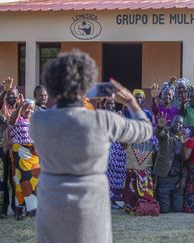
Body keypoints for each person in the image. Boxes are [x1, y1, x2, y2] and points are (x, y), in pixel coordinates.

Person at [30, 50, 153, 242]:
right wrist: (129, 101)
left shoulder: (38, 120)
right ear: (87, 85)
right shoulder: (103, 121)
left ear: (52, 86)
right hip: (90, 207)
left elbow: (57, 113)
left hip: (51, 202)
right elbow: (145, 130)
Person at [9, 96, 38, 220]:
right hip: (20, 153)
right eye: (26, 107)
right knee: (21, 181)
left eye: (31, 108)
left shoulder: (34, 121)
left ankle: (32, 209)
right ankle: (20, 210)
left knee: (34, 180)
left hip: (33, 154)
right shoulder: (16, 119)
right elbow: (11, 122)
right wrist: (20, 106)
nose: (29, 111)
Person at [153, 114, 187, 214]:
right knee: (165, 210)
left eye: (181, 123)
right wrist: (159, 127)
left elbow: (185, 160)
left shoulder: (183, 137)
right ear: (171, 123)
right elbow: (159, 133)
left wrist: (184, 177)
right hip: (164, 177)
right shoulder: (166, 132)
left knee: (178, 209)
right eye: (176, 122)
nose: (178, 124)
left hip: (177, 178)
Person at [122, 135, 159, 216]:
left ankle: (144, 208)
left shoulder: (152, 145)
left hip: (146, 175)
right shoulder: (129, 143)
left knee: (146, 195)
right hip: (132, 174)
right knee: (130, 194)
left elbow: (155, 160)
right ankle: (133, 208)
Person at [0, 77, 18, 218]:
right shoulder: (2, 108)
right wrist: (3, 91)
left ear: (17, 96)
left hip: (17, 150)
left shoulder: (21, 108)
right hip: (3, 149)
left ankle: (16, 207)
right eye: (9, 94)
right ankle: (3, 209)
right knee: (3, 179)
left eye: (13, 93)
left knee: (15, 179)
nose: (11, 96)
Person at [103, 99, 127, 209]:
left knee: (118, 176)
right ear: (104, 105)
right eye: (107, 103)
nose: (110, 105)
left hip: (118, 150)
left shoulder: (119, 115)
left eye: (112, 103)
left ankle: (115, 200)